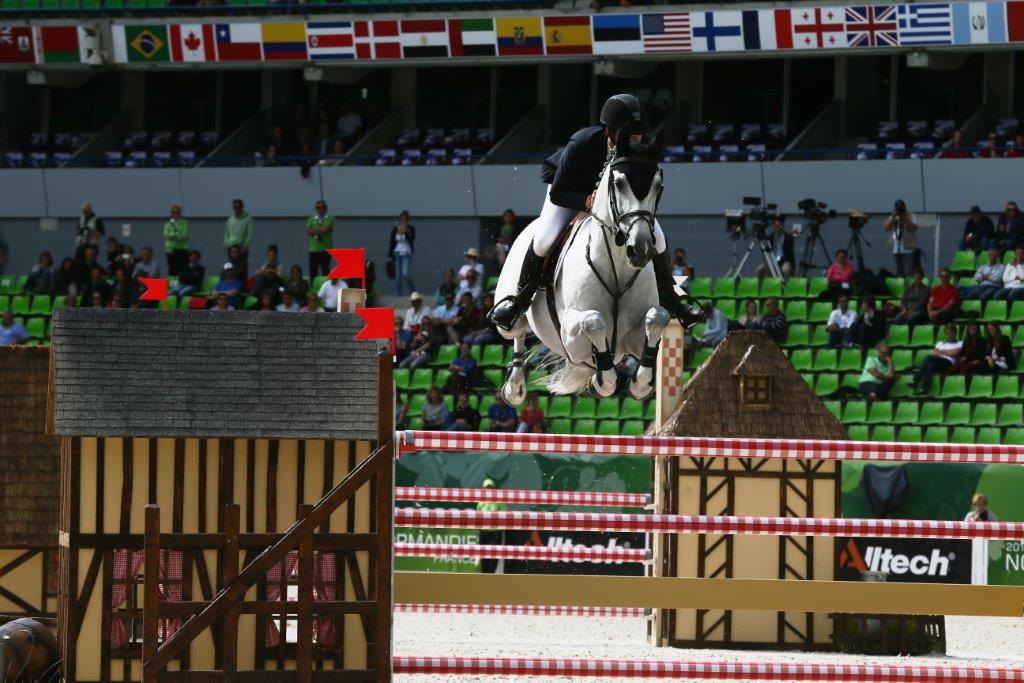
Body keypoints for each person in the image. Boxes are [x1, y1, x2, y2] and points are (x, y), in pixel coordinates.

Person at [488, 93, 705, 332]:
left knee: (660, 240)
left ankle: (673, 299)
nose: (636, 139)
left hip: (617, 200)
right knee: (543, 240)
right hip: (570, 191)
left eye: (639, 134)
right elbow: (558, 193)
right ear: (609, 131)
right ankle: (519, 301)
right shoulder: (582, 143)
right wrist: (586, 200)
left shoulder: (641, 145)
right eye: (629, 134)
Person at [911, 323, 961, 395]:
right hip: (938, 362)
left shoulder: (959, 343)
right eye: (948, 333)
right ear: (946, 333)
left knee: (928, 357)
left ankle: (916, 379)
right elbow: (935, 354)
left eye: (952, 333)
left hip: (949, 363)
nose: (950, 335)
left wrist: (942, 352)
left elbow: (955, 353)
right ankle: (924, 389)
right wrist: (948, 352)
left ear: (955, 333)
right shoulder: (939, 343)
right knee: (929, 365)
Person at [477, 478, 508, 573]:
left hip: (495, 533)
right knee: (483, 556)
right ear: (483, 489)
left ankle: (491, 575)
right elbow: (477, 516)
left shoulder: (500, 501)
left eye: (490, 487)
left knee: (494, 555)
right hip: (483, 532)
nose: (488, 490)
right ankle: (484, 576)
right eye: (486, 488)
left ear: (494, 488)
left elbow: (505, 515)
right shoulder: (480, 502)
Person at [883, 199, 918, 277]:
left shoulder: (911, 215)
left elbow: (913, 228)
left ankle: (908, 288)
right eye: (898, 207)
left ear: (905, 207)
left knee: (909, 273)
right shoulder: (893, 216)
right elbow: (886, 228)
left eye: (901, 207)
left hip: (908, 248)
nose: (900, 209)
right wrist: (893, 216)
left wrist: (905, 218)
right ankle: (901, 287)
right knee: (899, 273)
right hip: (896, 249)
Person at [225, 199, 253, 281]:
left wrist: (245, 245)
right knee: (230, 267)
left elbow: (249, 234)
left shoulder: (247, 219)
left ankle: (242, 286)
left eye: (238, 207)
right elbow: (227, 232)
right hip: (231, 246)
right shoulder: (230, 219)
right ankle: (231, 284)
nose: (236, 209)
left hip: (241, 247)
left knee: (242, 269)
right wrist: (227, 244)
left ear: (242, 207)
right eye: (234, 207)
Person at [388, 211, 415, 296]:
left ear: (408, 220)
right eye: (402, 219)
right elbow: (392, 242)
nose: (404, 221)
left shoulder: (411, 228)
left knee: (406, 274)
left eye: (406, 219)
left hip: (406, 253)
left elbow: (411, 240)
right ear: (400, 219)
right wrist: (389, 256)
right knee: (398, 277)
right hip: (397, 253)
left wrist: (405, 231)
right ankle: (399, 296)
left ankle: (413, 291)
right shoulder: (395, 229)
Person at [305, 200, 334, 278]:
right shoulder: (312, 219)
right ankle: (313, 288)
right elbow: (307, 231)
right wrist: (320, 229)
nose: (320, 209)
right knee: (313, 271)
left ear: (326, 209)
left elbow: (326, 229)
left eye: (322, 207)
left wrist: (313, 230)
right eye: (318, 207)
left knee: (325, 271)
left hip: (326, 249)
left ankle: (327, 288)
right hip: (313, 249)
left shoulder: (330, 218)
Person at [163, 205, 189, 277]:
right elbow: (165, 234)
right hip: (170, 250)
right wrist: (176, 234)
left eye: (177, 212)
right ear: (171, 213)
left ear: (180, 213)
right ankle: (172, 284)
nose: (176, 214)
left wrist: (172, 236)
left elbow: (183, 235)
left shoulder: (184, 222)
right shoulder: (168, 223)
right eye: (174, 212)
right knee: (172, 269)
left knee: (182, 268)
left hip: (181, 249)